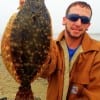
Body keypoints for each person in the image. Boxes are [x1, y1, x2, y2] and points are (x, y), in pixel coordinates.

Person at [38, 1, 100, 100]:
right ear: (64, 20)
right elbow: (43, 72)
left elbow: (96, 95)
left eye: (84, 20)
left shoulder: (97, 52)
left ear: (88, 25)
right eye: (73, 17)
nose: (78, 23)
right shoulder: (52, 47)